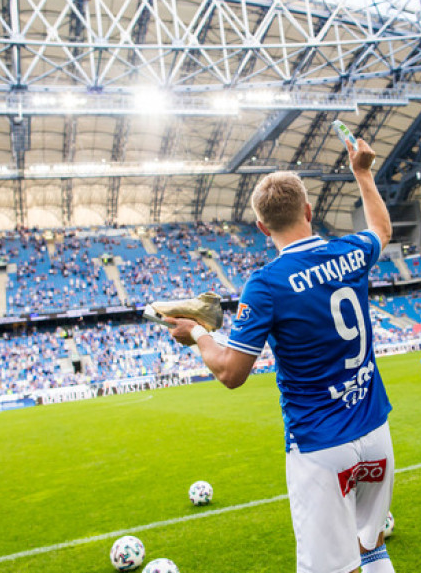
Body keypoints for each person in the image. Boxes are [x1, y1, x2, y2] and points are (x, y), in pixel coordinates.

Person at [164, 138, 397, 573]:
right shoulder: (351, 252)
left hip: (320, 447)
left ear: (261, 227)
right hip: (376, 432)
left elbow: (231, 373)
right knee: (372, 546)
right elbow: (382, 229)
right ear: (308, 211)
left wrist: (196, 334)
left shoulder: (267, 284)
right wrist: (363, 173)